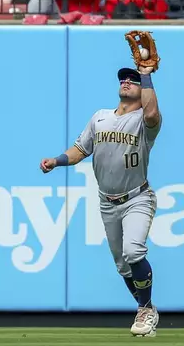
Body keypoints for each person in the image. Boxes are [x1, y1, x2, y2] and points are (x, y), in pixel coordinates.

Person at [40, 63, 162, 337]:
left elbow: (152, 112)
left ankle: (143, 310)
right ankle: (148, 308)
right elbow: (80, 149)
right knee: (122, 265)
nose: (126, 82)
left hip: (137, 198)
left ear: (143, 90)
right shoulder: (100, 117)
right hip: (108, 202)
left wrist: (146, 75)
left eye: (132, 80)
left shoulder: (145, 121)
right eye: (123, 79)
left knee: (133, 252)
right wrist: (57, 161)